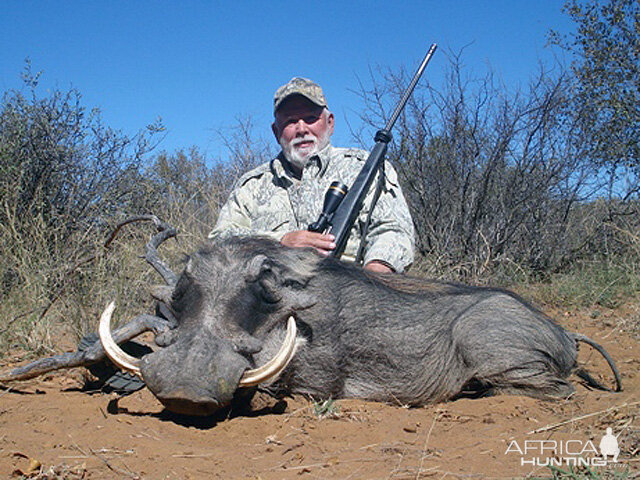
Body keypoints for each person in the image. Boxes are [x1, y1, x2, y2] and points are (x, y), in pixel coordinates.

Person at [209, 77, 414, 273]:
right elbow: (219, 241)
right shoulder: (253, 185)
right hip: (268, 302)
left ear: (330, 123)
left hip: (350, 297)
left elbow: (394, 231)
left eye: (310, 118)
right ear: (275, 131)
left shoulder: (365, 169)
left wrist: (372, 280)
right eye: (290, 121)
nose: (301, 129)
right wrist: (279, 242)